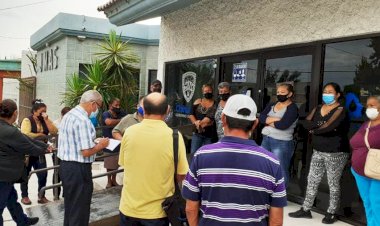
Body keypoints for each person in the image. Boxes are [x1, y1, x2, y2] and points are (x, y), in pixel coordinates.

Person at [182, 94, 287, 226]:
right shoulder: (272, 162)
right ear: (255, 124)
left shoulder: (201, 156)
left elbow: (191, 208)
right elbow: (277, 220)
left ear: (223, 119)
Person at [118, 92, 189, 226]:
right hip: (158, 212)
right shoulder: (174, 136)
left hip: (128, 209)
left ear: (143, 109)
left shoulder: (129, 132)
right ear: (168, 110)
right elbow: (181, 174)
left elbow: (124, 164)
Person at [288, 82, 349, 224]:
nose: (327, 94)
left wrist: (315, 129)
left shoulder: (341, 110)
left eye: (330, 91)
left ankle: (331, 212)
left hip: (336, 153)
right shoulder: (319, 108)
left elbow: (331, 127)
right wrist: (317, 127)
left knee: (333, 183)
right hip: (318, 150)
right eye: (325, 91)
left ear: (338, 94)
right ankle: (306, 209)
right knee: (312, 180)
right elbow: (305, 122)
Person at [57, 90, 110, 226]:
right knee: (80, 211)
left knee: (71, 207)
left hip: (66, 167)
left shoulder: (69, 115)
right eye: (98, 106)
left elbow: (75, 142)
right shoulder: (83, 120)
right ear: (92, 104)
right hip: (78, 169)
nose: (97, 110)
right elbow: (86, 152)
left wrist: (94, 141)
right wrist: (102, 145)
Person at [0, 99, 53, 226]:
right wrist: (44, 150)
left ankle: (22, 221)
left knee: (11, 199)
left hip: (4, 175)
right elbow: (28, 146)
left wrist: (43, 145)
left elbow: (24, 138)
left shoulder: (6, 127)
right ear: (15, 113)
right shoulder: (9, 131)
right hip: (3, 175)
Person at [259, 83, 298, 187]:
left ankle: (280, 197)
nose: (279, 94)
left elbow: (283, 125)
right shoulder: (272, 104)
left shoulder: (292, 108)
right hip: (266, 139)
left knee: (280, 170)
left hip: (282, 143)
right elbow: (261, 117)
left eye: (283, 92)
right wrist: (275, 120)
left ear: (290, 94)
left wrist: (268, 121)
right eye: (278, 92)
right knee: (264, 167)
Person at [20, 99, 58, 205]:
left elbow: (54, 131)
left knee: (43, 174)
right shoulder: (27, 120)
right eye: (42, 111)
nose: (44, 113)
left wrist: (47, 120)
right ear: (35, 111)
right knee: (25, 174)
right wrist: (40, 135)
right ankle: (25, 196)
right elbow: (25, 134)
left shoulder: (44, 120)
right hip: (28, 152)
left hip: (40, 152)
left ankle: (41, 196)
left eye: (45, 111)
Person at [350, 95, 380, 226]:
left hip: (377, 174)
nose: (369, 108)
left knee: (376, 203)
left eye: (372, 105)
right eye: (367, 105)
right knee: (367, 202)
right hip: (359, 172)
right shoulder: (366, 124)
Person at [101, 98, 126, 188]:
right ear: (110, 105)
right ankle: (108, 181)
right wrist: (121, 121)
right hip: (108, 142)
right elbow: (108, 122)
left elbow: (127, 120)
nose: (118, 107)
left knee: (116, 162)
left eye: (119, 105)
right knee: (109, 162)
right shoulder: (106, 114)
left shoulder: (121, 113)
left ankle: (114, 180)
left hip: (118, 142)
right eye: (116, 105)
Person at [188, 84, 217, 153]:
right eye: (205, 91)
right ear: (203, 92)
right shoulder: (198, 101)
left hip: (209, 135)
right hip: (197, 134)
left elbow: (211, 120)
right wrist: (196, 122)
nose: (207, 92)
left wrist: (200, 124)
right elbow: (191, 114)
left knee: (207, 156)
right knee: (194, 154)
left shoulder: (216, 104)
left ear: (212, 91)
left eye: (209, 90)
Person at [52, 106, 71, 200]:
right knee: (57, 173)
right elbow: (51, 138)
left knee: (66, 173)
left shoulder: (72, 123)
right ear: (62, 115)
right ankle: (56, 194)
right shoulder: (56, 123)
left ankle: (65, 193)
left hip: (68, 152)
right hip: (57, 152)